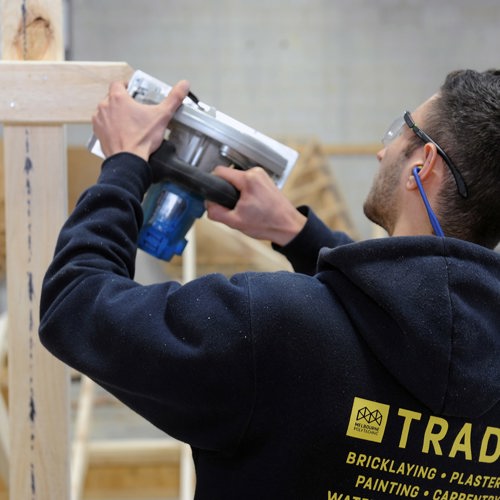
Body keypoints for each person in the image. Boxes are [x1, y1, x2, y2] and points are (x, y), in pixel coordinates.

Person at [39, 70, 500, 499]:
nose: (383, 151)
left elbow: (76, 304)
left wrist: (124, 162)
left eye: (399, 132)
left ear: (424, 165)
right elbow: (401, 308)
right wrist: (298, 235)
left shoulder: (276, 328)